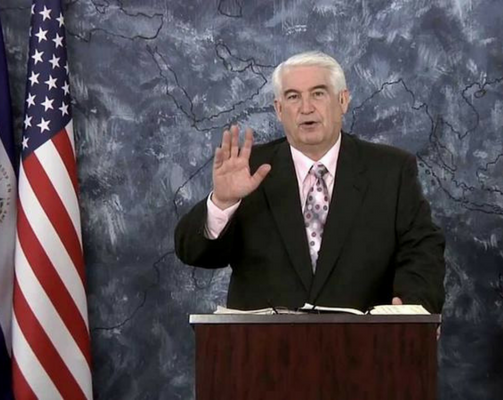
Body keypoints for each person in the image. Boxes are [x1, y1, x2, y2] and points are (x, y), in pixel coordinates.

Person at [174, 51, 445, 313]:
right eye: (293, 97)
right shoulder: (247, 168)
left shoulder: (391, 170)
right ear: (279, 109)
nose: (306, 108)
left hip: (364, 340)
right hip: (262, 343)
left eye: (318, 93)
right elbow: (194, 254)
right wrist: (223, 202)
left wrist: (413, 310)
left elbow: (421, 249)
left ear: (343, 100)